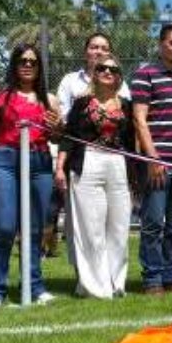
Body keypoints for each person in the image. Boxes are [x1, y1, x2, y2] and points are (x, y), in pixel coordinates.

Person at [0, 42, 60, 307]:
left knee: (35, 229)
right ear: (14, 64)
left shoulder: (51, 99)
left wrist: (57, 127)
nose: (27, 65)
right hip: (5, 160)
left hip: (39, 161)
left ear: (39, 68)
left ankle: (34, 286)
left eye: (33, 62)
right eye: (22, 61)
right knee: (2, 226)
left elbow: (58, 137)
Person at [130, 23, 172, 296]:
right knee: (154, 222)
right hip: (157, 162)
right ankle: (152, 280)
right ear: (161, 45)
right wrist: (153, 158)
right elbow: (139, 119)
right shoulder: (145, 74)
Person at [61, 54, 131, 298]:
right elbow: (68, 137)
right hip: (88, 161)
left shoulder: (126, 105)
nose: (107, 72)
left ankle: (116, 282)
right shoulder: (81, 104)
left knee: (120, 227)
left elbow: (133, 143)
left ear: (119, 76)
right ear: (94, 73)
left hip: (118, 164)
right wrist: (60, 167)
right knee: (91, 228)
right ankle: (94, 285)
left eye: (113, 69)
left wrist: (136, 176)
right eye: (102, 68)